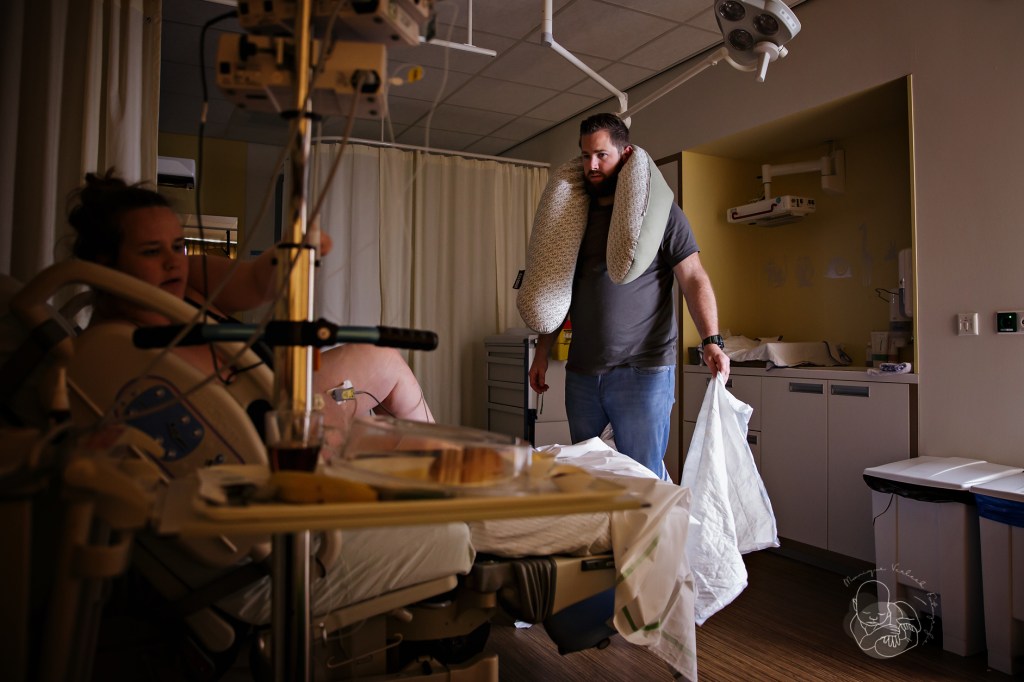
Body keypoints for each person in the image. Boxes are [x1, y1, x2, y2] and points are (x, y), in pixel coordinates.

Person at [66, 169, 433, 431]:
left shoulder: (190, 276)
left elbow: (256, 281)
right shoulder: (111, 348)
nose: (172, 262)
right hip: (270, 430)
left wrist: (290, 253)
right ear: (104, 263)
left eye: (177, 246)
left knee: (386, 363)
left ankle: (450, 475)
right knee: (403, 452)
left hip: (288, 387)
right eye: (151, 251)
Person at [528, 113, 729, 481]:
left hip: (643, 370)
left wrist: (711, 341)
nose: (591, 165)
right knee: (589, 478)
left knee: (642, 478)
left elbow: (693, 277)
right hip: (583, 372)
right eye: (585, 155)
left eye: (601, 155)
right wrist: (542, 351)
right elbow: (558, 289)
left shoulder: (661, 215)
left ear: (625, 154)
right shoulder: (576, 217)